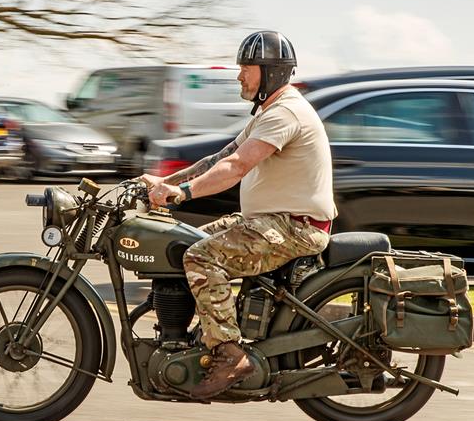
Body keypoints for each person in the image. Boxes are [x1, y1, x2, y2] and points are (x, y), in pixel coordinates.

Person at [139, 30, 337, 399]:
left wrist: (181, 194)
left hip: (294, 227)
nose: (239, 75)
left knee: (201, 256)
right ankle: (196, 338)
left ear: (271, 72)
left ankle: (230, 354)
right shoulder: (269, 111)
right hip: (267, 222)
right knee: (184, 240)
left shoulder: (286, 112)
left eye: (247, 67)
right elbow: (218, 157)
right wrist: (166, 181)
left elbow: (236, 165)